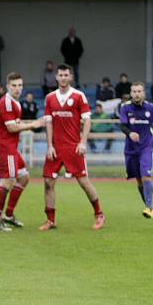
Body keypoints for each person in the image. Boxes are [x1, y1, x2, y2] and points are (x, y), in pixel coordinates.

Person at [41, 64, 105, 230]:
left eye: (66, 75)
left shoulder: (78, 96)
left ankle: (99, 214)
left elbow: (87, 120)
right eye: (60, 75)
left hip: (73, 148)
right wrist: (49, 145)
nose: (63, 78)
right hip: (55, 148)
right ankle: (50, 220)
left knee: (83, 182)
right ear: (56, 77)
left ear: (70, 77)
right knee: (48, 182)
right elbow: (48, 123)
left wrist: (82, 142)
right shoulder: (49, 98)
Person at [0, 73, 43, 231]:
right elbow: (11, 127)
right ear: (7, 86)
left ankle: (8, 214)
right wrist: (32, 125)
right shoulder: (7, 102)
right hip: (5, 148)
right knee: (7, 181)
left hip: (11, 147)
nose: (18, 88)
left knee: (24, 177)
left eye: (20, 85)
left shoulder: (15, 102)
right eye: (14, 85)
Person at [119, 82, 153, 218]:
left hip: (146, 147)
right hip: (131, 150)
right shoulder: (125, 108)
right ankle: (148, 205)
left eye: (139, 91)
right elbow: (122, 125)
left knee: (146, 176)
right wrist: (130, 133)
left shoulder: (151, 108)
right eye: (134, 91)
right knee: (139, 180)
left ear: (144, 93)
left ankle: (149, 208)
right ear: (131, 93)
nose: (136, 94)